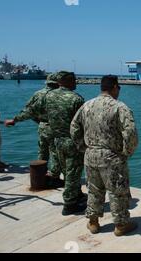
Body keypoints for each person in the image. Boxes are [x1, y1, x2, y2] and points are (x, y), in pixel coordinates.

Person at [71, 75, 139, 236]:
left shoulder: (87, 105)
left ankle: (93, 222)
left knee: (94, 190)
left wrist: (83, 147)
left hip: (91, 154)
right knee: (117, 191)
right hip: (112, 157)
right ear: (115, 87)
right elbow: (130, 133)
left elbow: (74, 127)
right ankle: (121, 224)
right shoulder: (119, 107)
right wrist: (126, 152)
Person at [4, 73, 62, 181]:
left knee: (42, 151)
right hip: (55, 128)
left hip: (42, 126)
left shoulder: (38, 94)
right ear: (57, 83)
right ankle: (54, 177)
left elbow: (28, 111)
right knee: (55, 153)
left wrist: (15, 120)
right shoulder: (58, 95)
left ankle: (40, 175)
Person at [44, 71, 86, 215]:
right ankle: (69, 205)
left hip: (57, 140)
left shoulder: (49, 96)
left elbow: (40, 114)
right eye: (74, 80)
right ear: (67, 81)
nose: (76, 82)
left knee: (66, 171)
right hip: (72, 142)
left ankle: (77, 194)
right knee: (73, 172)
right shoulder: (76, 99)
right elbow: (82, 123)